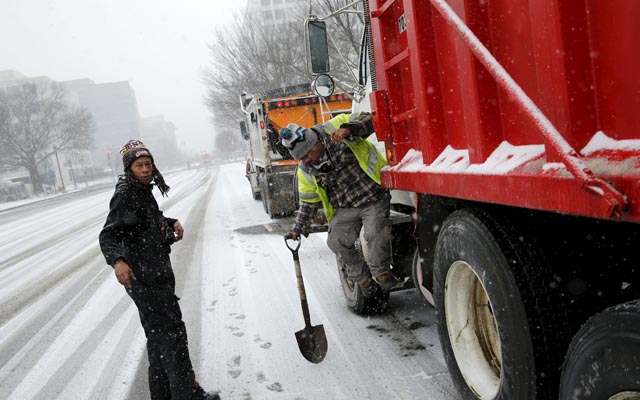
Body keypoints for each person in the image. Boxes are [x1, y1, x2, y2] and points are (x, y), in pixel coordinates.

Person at [99, 140, 219, 400]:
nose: (145, 170)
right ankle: (188, 394)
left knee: (157, 340)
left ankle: (163, 394)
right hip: (144, 279)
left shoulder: (140, 191)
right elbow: (108, 234)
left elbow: (144, 222)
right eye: (139, 165)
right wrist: (117, 262)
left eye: (148, 164)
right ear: (129, 169)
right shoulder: (125, 195)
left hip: (154, 275)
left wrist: (168, 221)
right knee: (174, 336)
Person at [280, 112, 403, 297]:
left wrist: (350, 129)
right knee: (336, 240)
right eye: (301, 158)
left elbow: (371, 118)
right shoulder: (305, 169)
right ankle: (363, 280)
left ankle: (381, 273)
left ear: (315, 143)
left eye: (306, 155)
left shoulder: (336, 127)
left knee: (375, 232)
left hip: (373, 197)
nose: (305, 161)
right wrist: (298, 228)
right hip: (345, 207)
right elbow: (308, 201)